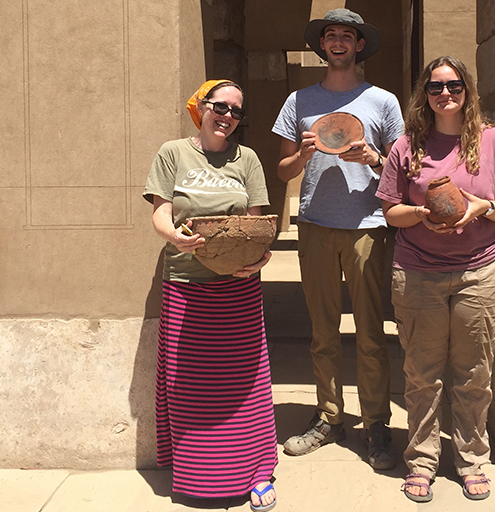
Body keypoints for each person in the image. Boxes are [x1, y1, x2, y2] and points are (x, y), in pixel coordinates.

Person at [375, 56, 495, 503]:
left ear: (468, 91)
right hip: (418, 272)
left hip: (478, 271)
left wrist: (481, 207)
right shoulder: (408, 146)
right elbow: (390, 211)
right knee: (421, 376)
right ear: (425, 93)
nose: (446, 94)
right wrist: (423, 213)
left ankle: (471, 459)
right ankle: (421, 460)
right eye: (437, 86)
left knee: (473, 374)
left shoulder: (493, 142)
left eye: (455, 86)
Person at [271, 8, 403, 470]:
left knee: (370, 332)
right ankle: (329, 416)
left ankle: (377, 424)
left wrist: (375, 156)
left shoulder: (382, 101)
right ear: (322, 45)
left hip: (368, 226)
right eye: (331, 35)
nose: (339, 42)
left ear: (359, 45)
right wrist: (304, 154)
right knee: (322, 331)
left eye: (348, 35)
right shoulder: (299, 100)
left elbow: (402, 170)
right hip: (316, 225)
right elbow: (282, 169)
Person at [143, 79, 278, 512]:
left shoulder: (249, 159)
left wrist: (260, 258)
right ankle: (196, 475)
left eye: (237, 111)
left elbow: (256, 223)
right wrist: (173, 237)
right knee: (192, 385)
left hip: (237, 286)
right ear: (202, 108)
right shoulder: (173, 152)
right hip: (185, 283)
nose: (228, 116)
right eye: (221, 106)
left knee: (245, 383)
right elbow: (161, 211)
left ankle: (257, 473)